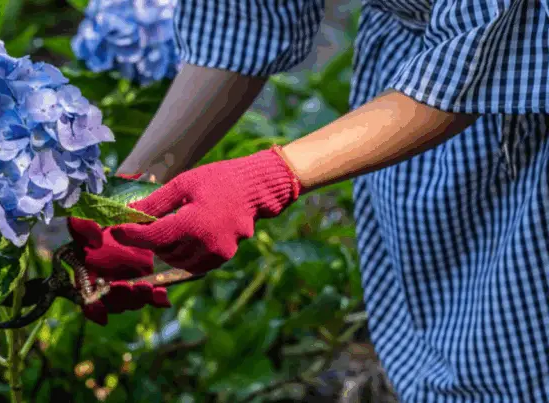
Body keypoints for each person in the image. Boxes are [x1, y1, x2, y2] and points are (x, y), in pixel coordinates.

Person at [67, 0, 549, 401]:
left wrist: (269, 178)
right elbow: (246, 14)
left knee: (510, 359)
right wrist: (135, 190)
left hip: (512, 105)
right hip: (407, 107)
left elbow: (496, 38)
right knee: (446, 353)